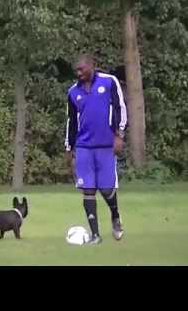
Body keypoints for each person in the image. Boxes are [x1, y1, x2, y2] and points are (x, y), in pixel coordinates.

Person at [65, 54, 127, 245]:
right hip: (84, 147)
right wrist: (69, 148)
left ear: (92, 66)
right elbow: (71, 121)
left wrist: (119, 134)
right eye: (77, 70)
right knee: (88, 189)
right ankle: (95, 235)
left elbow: (120, 108)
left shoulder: (109, 82)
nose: (79, 73)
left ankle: (115, 216)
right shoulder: (73, 92)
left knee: (106, 188)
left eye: (82, 69)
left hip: (105, 145)